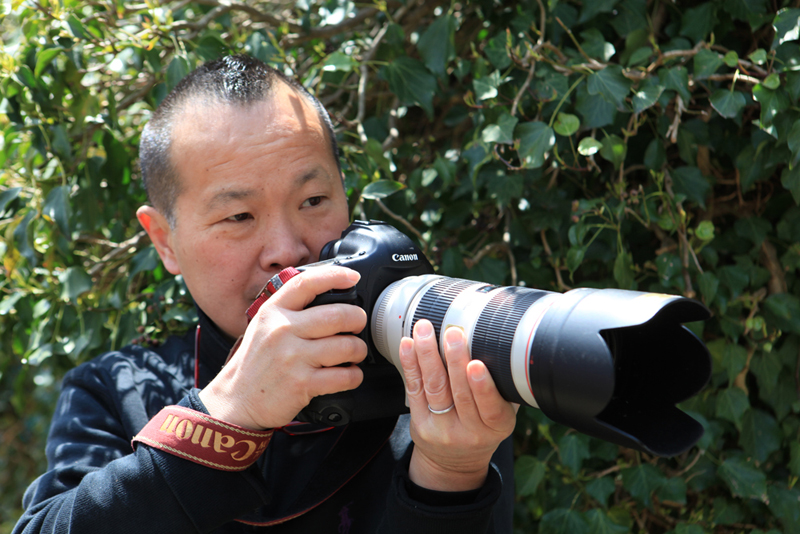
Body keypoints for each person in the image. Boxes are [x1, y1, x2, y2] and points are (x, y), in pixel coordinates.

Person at [14, 55, 516, 533]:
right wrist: (230, 414)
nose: (288, 250)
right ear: (165, 240)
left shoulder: (429, 376)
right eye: (239, 216)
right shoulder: (116, 394)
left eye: (314, 200)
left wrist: (450, 473)